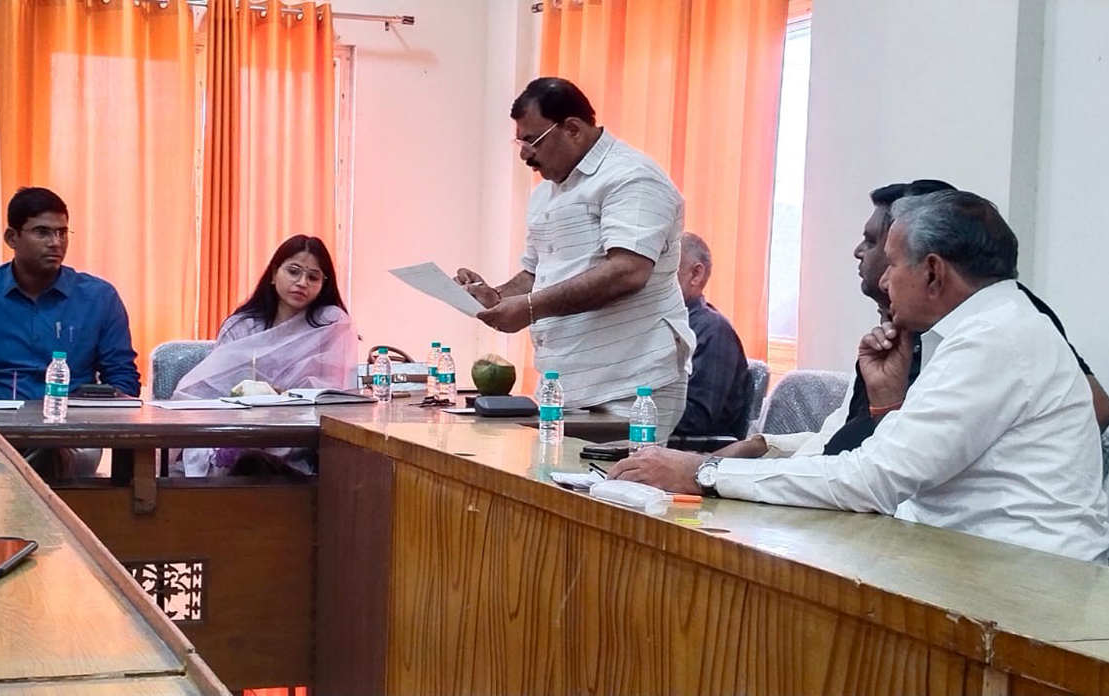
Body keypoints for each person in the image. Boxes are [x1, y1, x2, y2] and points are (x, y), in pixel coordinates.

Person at [612, 191, 1109, 563]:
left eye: (892, 264)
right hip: (971, 559)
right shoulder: (980, 326)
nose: (884, 279)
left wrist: (705, 474)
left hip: (1025, 579)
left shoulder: (995, 337)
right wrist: (888, 406)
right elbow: (912, 465)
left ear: (933, 272)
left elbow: (873, 480)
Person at [716, 179, 1107, 461]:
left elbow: (886, 473)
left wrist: (716, 475)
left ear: (930, 265)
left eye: (877, 244)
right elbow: (851, 442)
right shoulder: (895, 332)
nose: (859, 253)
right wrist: (766, 449)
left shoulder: (998, 326)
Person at [453, 77, 693, 442]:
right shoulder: (547, 193)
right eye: (520, 142)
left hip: (631, 384)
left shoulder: (632, 178)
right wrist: (497, 295)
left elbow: (628, 271)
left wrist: (529, 308)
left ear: (573, 130)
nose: (524, 155)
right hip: (565, 383)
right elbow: (536, 273)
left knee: (616, 478)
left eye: (532, 141)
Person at [0, 187, 140, 399]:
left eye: (62, 233)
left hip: (72, 417)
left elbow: (122, 378)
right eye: (42, 233)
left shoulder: (99, 298)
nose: (55, 243)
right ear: (12, 238)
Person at [173, 235, 355, 476]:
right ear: (273, 273)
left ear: (323, 284)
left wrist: (285, 397)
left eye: (313, 277)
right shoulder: (242, 326)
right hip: (239, 430)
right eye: (293, 272)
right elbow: (214, 390)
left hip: (300, 437)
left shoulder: (329, 324)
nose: (302, 283)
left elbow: (334, 392)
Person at [672, 232, 750, 439]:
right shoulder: (661, 327)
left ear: (695, 274)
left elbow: (697, 418)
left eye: (666, 270)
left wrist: (634, 406)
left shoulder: (713, 331)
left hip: (689, 451)